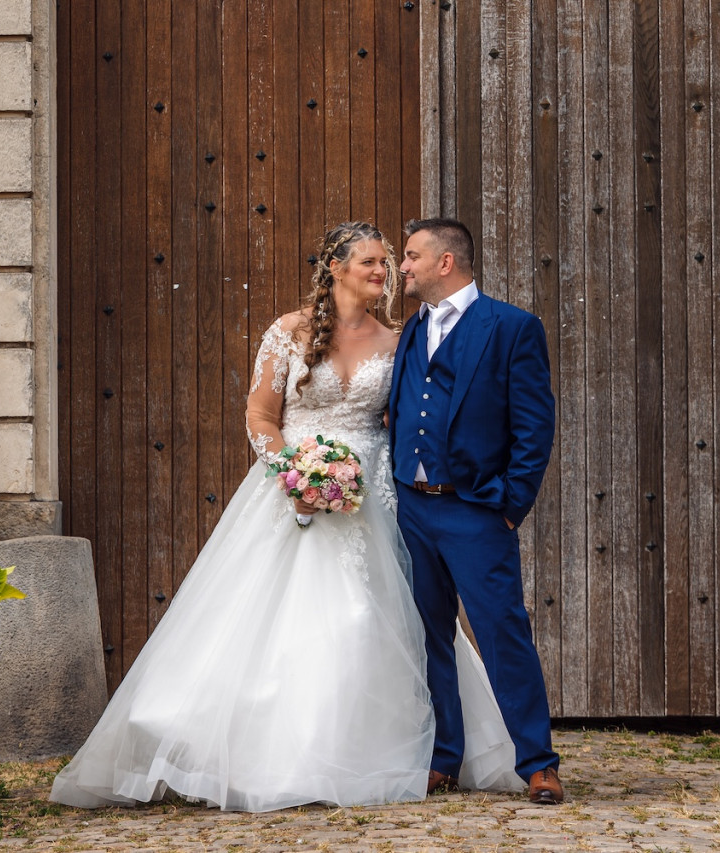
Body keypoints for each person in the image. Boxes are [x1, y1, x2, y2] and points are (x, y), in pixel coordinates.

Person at [50, 222, 520, 813]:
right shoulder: (287, 332)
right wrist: (294, 474)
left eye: (388, 262)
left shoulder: (401, 339)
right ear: (336, 268)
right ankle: (257, 748)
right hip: (291, 487)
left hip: (373, 495)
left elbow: (409, 421)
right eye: (372, 262)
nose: (385, 272)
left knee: (377, 615)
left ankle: (390, 746)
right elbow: (260, 414)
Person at [390, 217, 564, 804]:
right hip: (411, 509)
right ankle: (444, 757)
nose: (402, 266)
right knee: (429, 636)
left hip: (475, 511)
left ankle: (538, 763)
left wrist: (510, 506)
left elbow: (535, 425)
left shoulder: (511, 327)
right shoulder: (412, 329)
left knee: (500, 631)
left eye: (412, 256)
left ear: (445, 262)